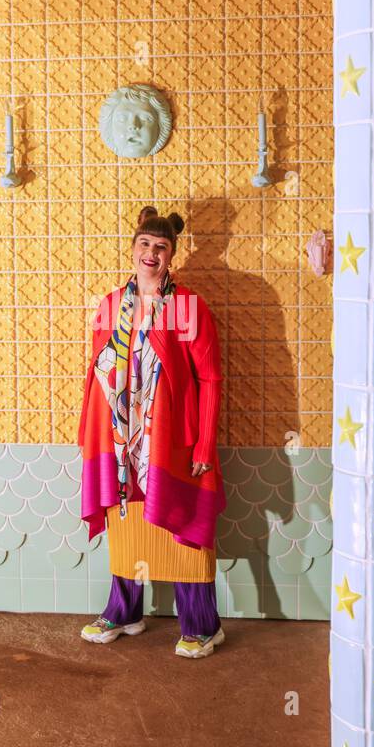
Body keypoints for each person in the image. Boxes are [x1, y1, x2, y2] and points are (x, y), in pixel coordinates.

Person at [78, 206, 227, 658]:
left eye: (161, 247)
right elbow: (100, 374)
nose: (151, 253)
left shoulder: (188, 307)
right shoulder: (109, 305)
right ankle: (124, 612)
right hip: (122, 442)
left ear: (171, 257)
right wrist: (93, 435)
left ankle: (203, 624)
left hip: (171, 442)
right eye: (144, 244)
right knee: (126, 526)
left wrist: (203, 441)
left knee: (184, 526)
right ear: (132, 249)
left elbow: (211, 380)